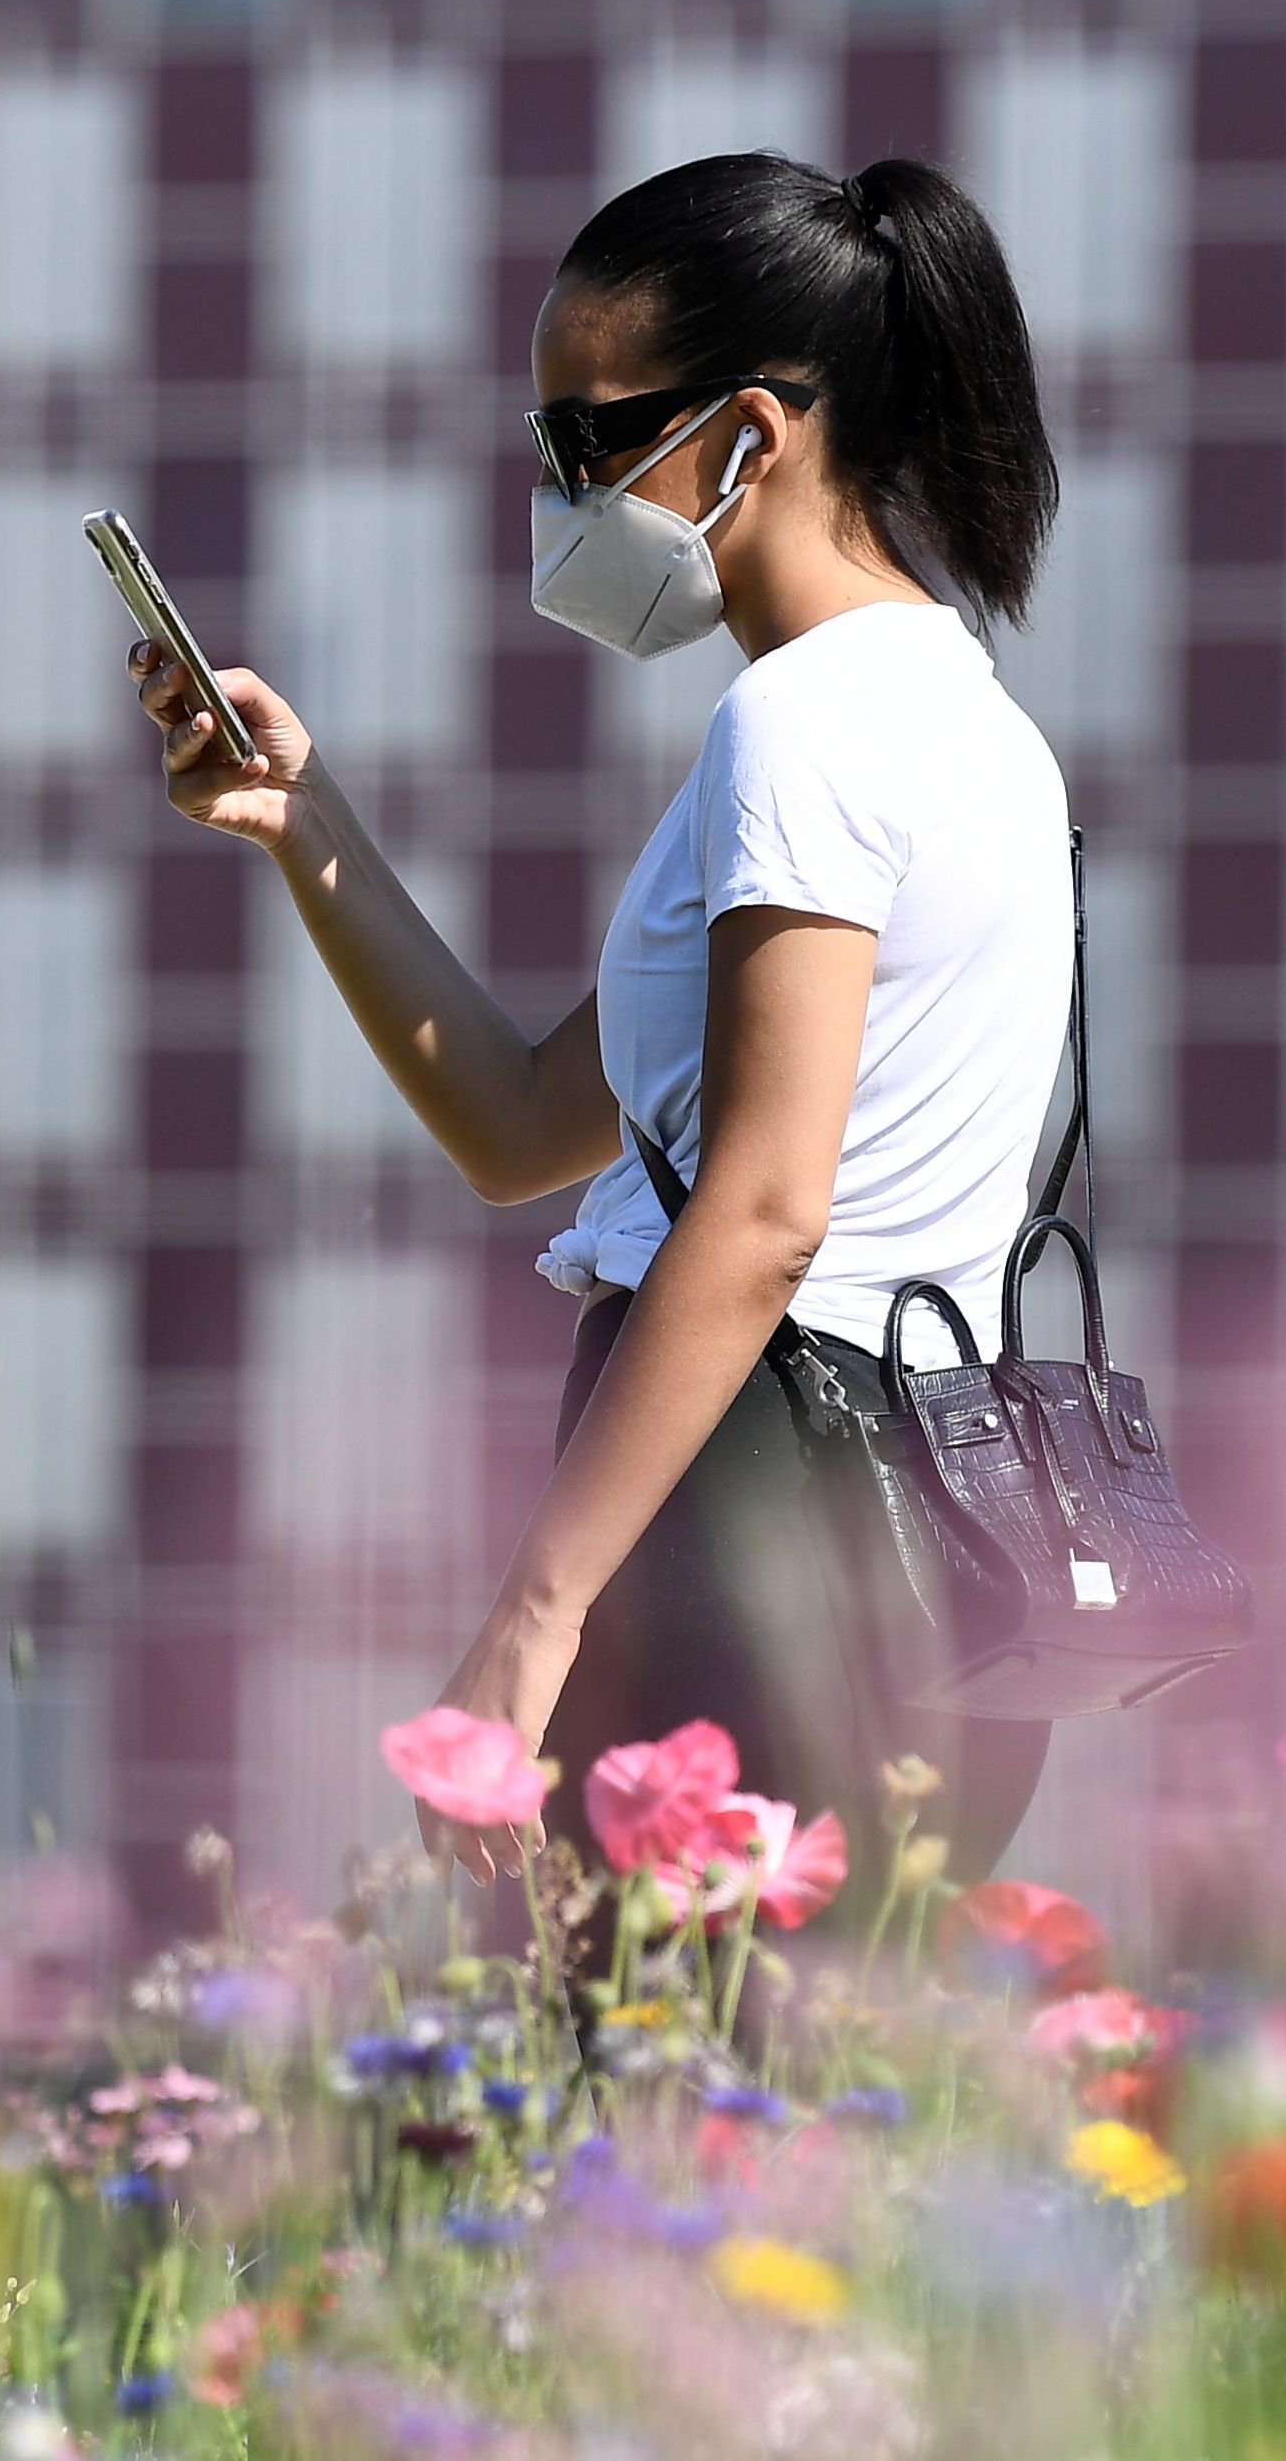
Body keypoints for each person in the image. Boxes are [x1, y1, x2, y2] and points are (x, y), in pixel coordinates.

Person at [133, 152, 1068, 1914]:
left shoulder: (796, 731)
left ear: (747, 437)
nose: (559, 490)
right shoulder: (969, 721)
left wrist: (530, 1616)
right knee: (776, 2129)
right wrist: (301, 818)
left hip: (752, 1507)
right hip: (927, 1535)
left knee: (625, 2126)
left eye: (588, 438)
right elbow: (520, 1124)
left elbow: (767, 1210)